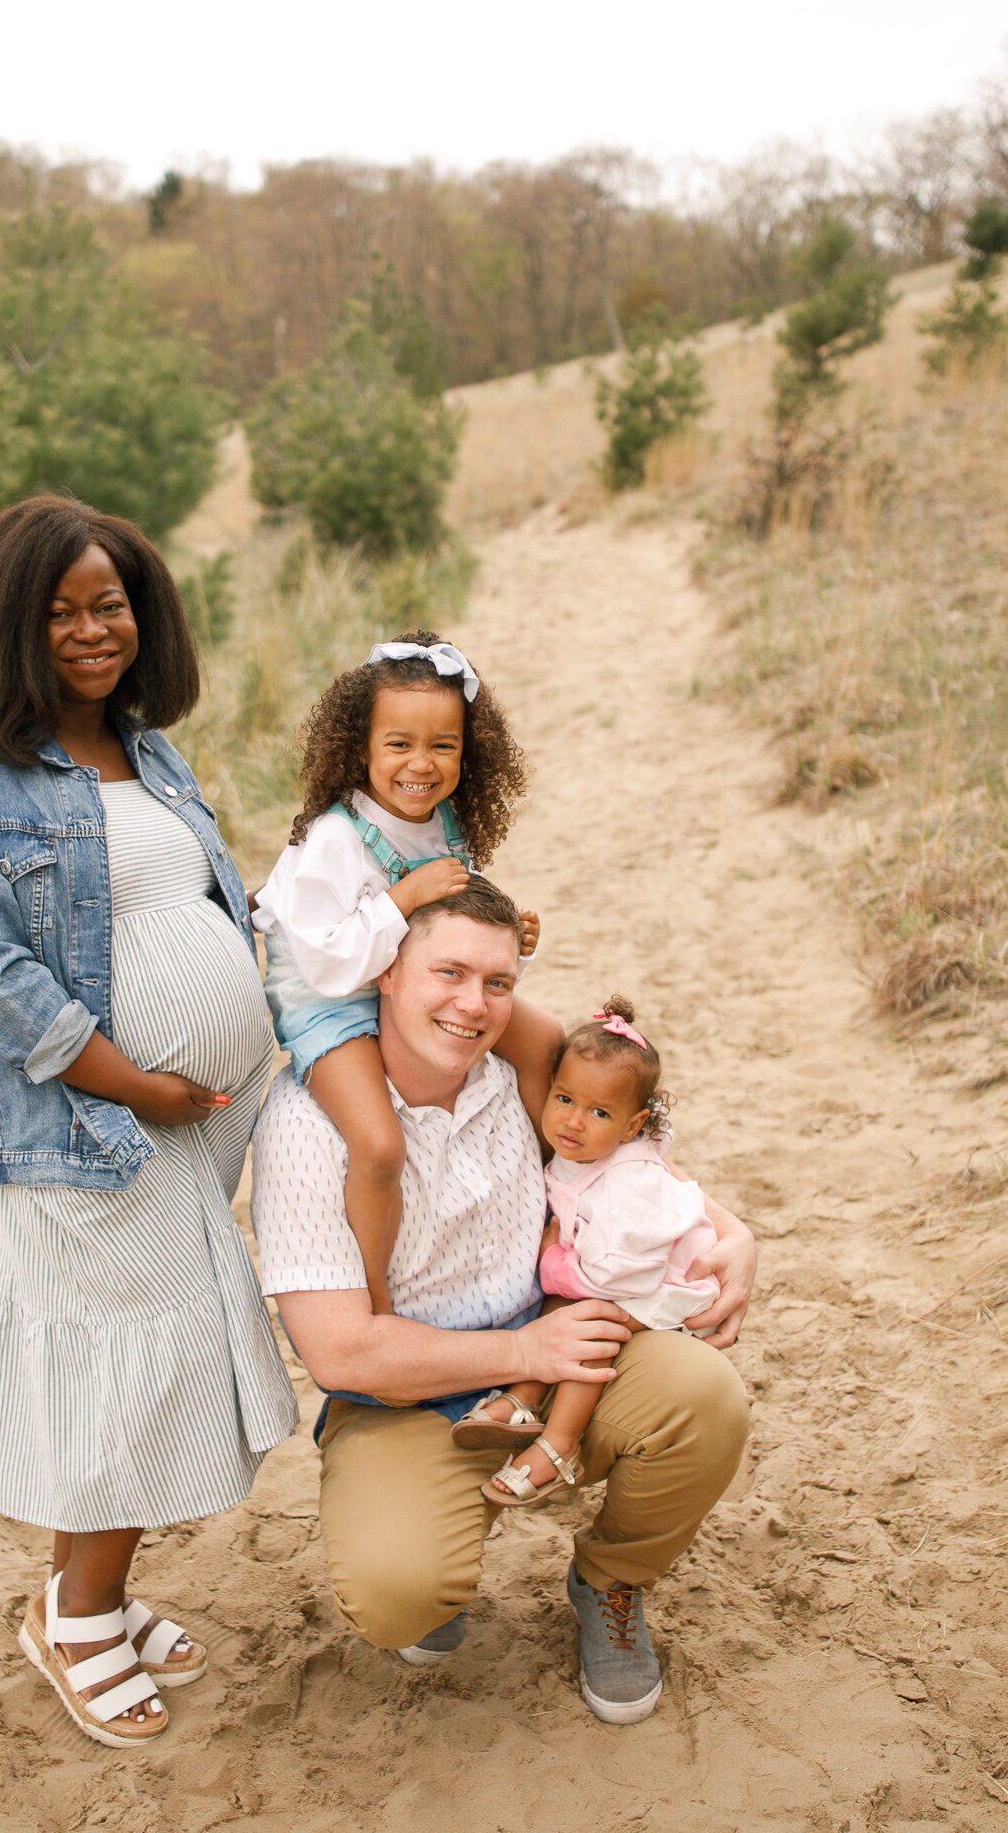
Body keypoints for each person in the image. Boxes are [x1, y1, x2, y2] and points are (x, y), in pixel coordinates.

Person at [0, 496, 298, 1751]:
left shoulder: (141, 748)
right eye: (61, 609)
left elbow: (194, 903)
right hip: (88, 1132)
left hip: (182, 1128)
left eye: (110, 602)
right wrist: (135, 1079)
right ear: (8, 623)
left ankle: (93, 1600)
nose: (91, 628)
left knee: (133, 1356)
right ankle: (79, 1616)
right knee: (141, 1365)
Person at [250, 880, 753, 1726]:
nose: (472, 1004)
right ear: (385, 972)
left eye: (497, 983)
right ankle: (438, 1541)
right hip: (405, 1396)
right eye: (447, 972)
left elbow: (626, 1169)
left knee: (705, 1399)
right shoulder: (307, 1123)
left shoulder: (527, 1082)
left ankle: (610, 1583)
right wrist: (524, 1356)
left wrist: (734, 1232)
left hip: (554, 1357)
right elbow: (337, 1353)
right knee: (397, 1597)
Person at [252, 632, 562, 1315]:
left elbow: (456, 922)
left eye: (442, 746)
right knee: (378, 1143)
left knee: (545, 1043)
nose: (420, 764)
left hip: (406, 984)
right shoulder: (333, 840)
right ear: (359, 747)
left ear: (467, 750)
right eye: (398, 744)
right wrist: (401, 900)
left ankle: (560, 1204)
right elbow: (326, 961)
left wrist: (514, 937)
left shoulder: (444, 821)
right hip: (330, 999)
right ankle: (377, 1297)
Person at [466, 995, 722, 1508]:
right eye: (563, 1099)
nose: (573, 1122)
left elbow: (617, 1275)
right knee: (563, 1310)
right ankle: (525, 1398)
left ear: (632, 1126)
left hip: (657, 1283)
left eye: (599, 1112)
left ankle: (561, 1444)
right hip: (606, 1270)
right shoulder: (581, 1150)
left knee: (586, 1325)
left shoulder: (630, 1183)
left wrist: (551, 1259)